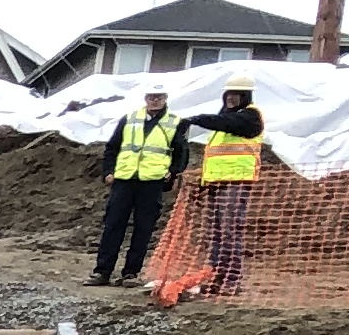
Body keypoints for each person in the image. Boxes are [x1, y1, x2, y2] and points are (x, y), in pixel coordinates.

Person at [90, 88, 182, 284]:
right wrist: (108, 171)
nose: (154, 101)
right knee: (113, 225)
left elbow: (182, 153)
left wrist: (172, 172)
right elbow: (112, 147)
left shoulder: (174, 122)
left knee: (143, 228)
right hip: (124, 180)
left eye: (158, 97)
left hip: (151, 182)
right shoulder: (130, 119)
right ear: (145, 98)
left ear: (165, 99)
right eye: (151, 97)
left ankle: (131, 273)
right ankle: (102, 271)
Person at [193, 82, 265, 295]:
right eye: (229, 94)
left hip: (236, 181)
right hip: (218, 182)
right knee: (217, 232)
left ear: (245, 96)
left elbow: (226, 123)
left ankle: (231, 279)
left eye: (236, 94)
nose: (231, 98)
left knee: (229, 230)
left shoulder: (249, 117)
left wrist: (197, 119)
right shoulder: (225, 120)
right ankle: (216, 277)